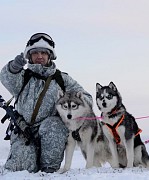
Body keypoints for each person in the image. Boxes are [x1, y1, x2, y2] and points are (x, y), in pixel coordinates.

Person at [0, 33, 93, 173]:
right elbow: (7, 78)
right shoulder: (23, 77)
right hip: (23, 131)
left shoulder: (62, 79)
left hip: (50, 129)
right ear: (29, 56)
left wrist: (70, 109)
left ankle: (49, 171)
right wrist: (13, 67)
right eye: (35, 52)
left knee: (54, 125)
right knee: (20, 170)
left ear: (50, 55)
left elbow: (86, 99)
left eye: (44, 52)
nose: (39, 56)